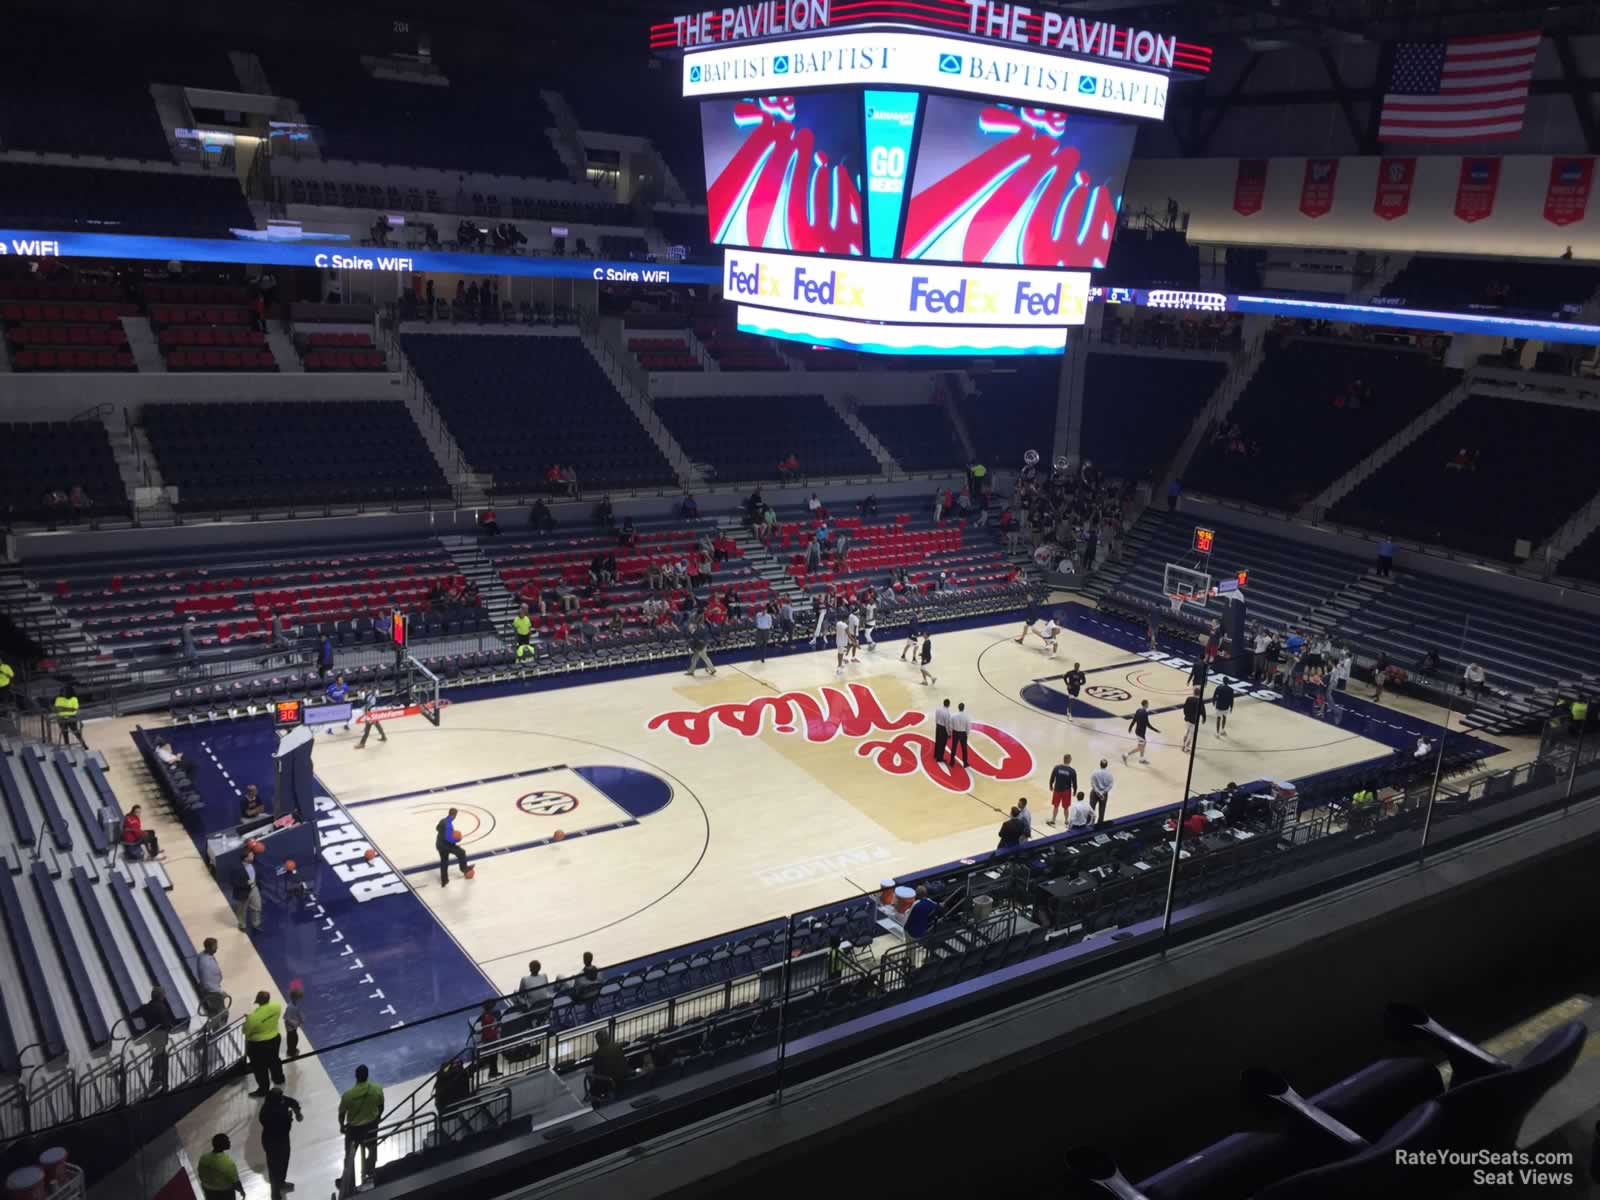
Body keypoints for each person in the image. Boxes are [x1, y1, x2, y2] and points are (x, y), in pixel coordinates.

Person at [339, 1065, 385, 1185]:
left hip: (353, 1130)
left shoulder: (348, 1095)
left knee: (349, 1155)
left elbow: (341, 1114)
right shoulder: (377, 1089)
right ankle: (369, 1172)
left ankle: (348, 1179)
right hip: (371, 1127)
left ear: (356, 1076)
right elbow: (381, 1107)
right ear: (367, 1075)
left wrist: (342, 1126)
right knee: (372, 1150)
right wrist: (378, 1118)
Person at [259, 1086, 303, 1200]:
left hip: (282, 1140)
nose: (282, 1097)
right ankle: (275, 1194)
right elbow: (280, 1127)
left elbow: (292, 1102)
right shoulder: (267, 1111)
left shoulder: (281, 1100)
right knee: (275, 1168)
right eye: (280, 1096)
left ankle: (281, 1183)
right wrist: (288, 1118)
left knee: (284, 1162)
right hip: (273, 1142)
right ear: (274, 1098)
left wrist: (297, 1112)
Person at [131, 985, 178, 1091]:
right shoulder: (161, 1007)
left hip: (152, 1036)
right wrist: (170, 1027)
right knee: (162, 1056)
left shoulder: (146, 1007)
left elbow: (133, 1014)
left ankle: (157, 1076)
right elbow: (165, 1023)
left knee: (159, 1054)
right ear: (161, 996)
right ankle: (159, 1081)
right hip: (161, 1035)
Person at [243, 990, 285, 1097]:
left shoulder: (253, 1018)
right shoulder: (276, 1007)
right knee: (274, 1060)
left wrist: (248, 1020)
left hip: (258, 1045)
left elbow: (245, 1031)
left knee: (260, 1068)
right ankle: (279, 1079)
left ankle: (263, 1089)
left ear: (258, 1001)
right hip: (274, 1038)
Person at [197, 1133, 245, 1200]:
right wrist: (241, 1191)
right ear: (222, 1145)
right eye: (227, 1140)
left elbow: (200, 1173)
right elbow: (236, 1183)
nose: (229, 1142)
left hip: (208, 1191)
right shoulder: (228, 1163)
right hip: (225, 1193)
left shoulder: (204, 1158)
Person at [590, 1029, 631, 1097]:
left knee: (593, 1088)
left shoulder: (597, 1053)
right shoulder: (617, 1046)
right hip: (624, 1075)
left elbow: (597, 1071)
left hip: (610, 1080)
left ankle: (600, 1104)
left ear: (598, 1042)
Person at [436, 807, 471, 887]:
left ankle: (444, 880)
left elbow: (437, 828)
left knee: (444, 861)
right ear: (455, 815)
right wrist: (457, 840)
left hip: (439, 844)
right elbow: (449, 838)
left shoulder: (443, 820)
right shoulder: (448, 824)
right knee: (461, 852)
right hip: (446, 845)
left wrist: (442, 833)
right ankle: (464, 868)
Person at [196, 937, 226, 1027]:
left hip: (212, 989)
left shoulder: (203, 955)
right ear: (208, 948)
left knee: (215, 1012)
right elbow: (208, 983)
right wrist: (220, 992)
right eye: (215, 946)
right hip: (213, 992)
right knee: (221, 1012)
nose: (217, 948)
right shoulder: (206, 964)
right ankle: (216, 1030)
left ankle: (211, 1028)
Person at [232, 848, 262, 933]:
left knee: (257, 907)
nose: (253, 856)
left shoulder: (254, 864)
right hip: (243, 891)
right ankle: (242, 925)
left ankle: (256, 924)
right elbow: (234, 883)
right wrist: (247, 883)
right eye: (251, 856)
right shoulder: (237, 869)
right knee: (242, 910)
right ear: (245, 858)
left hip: (254, 888)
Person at [1122, 701, 1158, 766]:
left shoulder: (1138, 710)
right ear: (1145, 704)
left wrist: (1130, 727)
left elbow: (1134, 720)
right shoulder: (1145, 713)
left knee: (1142, 746)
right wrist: (1155, 730)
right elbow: (1147, 724)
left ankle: (1141, 759)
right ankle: (1125, 755)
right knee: (1140, 747)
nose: (1148, 705)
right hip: (1141, 733)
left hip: (1138, 731)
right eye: (1147, 704)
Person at [53, 684, 87, 749]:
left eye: (64, 692)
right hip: (61, 719)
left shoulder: (74, 699)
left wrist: (63, 708)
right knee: (64, 733)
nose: (63, 693)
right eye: (62, 692)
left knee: (76, 732)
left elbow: (74, 709)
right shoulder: (58, 699)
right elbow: (57, 709)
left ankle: (83, 743)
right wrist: (68, 709)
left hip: (71, 718)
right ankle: (67, 745)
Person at [1048, 754, 1077, 826]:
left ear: (1064, 759)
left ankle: (1053, 820)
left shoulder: (1057, 768)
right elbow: (1075, 782)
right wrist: (1075, 791)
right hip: (1066, 791)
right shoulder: (1072, 771)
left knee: (1056, 806)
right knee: (1066, 807)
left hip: (1057, 789)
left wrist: (1051, 785)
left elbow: (1052, 777)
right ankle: (1066, 821)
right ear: (1069, 760)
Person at [476, 1000, 502, 1080]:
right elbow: (488, 1030)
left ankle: (494, 1072)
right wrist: (496, 1030)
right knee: (493, 1057)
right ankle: (492, 1073)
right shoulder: (487, 1017)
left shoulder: (488, 1015)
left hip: (491, 1039)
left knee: (494, 1057)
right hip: (490, 1039)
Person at [1181, 687, 1208, 753]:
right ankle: (1186, 748)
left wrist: (1185, 714)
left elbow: (1185, 708)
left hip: (1187, 718)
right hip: (1194, 720)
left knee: (1186, 731)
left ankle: (1183, 745)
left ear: (1194, 692)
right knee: (1191, 734)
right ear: (1199, 693)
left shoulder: (1188, 699)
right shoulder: (1200, 701)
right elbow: (1203, 711)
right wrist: (1204, 718)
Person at [1089, 759, 1114, 825]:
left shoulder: (1095, 772)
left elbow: (1093, 783)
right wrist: (1102, 792)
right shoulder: (1109, 774)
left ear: (1100, 764)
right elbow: (1110, 785)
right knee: (1102, 809)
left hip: (1094, 793)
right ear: (1106, 765)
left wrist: (1098, 792)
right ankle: (1100, 824)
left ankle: (1090, 823)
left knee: (1091, 808)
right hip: (1104, 795)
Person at [284, 987, 306, 1058]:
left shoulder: (295, 1004)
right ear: (296, 998)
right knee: (292, 1039)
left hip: (293, 1026)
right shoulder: (290, 1007)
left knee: (294, 1038)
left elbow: (297, 1013)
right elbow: (286, 1018)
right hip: (290, 1028)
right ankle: (291, 1052)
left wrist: (301, 1020)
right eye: (299, 998)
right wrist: (295, 1024)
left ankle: (292, 1050)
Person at [949, 702, 971, 768]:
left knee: (954, 747)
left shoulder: (953, 715)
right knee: (964, 749)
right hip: (963, 733)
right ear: (963, 708)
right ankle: (965, 763)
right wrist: (966, 734)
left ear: (958, 708)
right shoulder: (966, 716)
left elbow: (950, 725)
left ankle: (952, 762)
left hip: (955, 732)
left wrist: (951, 731)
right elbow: (968, 727)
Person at [933, 699, 951, 764]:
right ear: (948, 704)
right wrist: (949, 733)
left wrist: (937, 725)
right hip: (943, 729)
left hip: (938, 726)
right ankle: (939, 758)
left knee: (937, 741)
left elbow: (936, 718)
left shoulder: (938, 709)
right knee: (942, 744)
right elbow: (947, 724)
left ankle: (935, 754)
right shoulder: (947, 713)